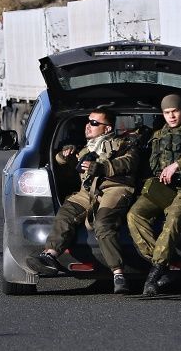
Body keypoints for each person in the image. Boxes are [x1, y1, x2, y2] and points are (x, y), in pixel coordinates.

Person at [26, 108, 140, 294]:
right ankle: (50, 255)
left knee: (103, 223)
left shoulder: (123, 145)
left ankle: (118, 274)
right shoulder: (86, 149)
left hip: (114, 188)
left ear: (107, 128)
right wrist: (63, 156)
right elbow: (67, 167)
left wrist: (102, 167)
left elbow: (128, 163)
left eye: (94, 123)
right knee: (65, 213)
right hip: (87, 191)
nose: (88, 125)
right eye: (88, 121)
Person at [127, 94, 181, 296]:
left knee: (174, 218)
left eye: (175, 111)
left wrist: (178, 165)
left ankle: (154, 274)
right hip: (162, 188)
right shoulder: (158, 134)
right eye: (167, 112)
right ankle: (162, 264)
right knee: (135, 215)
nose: (172, 116)